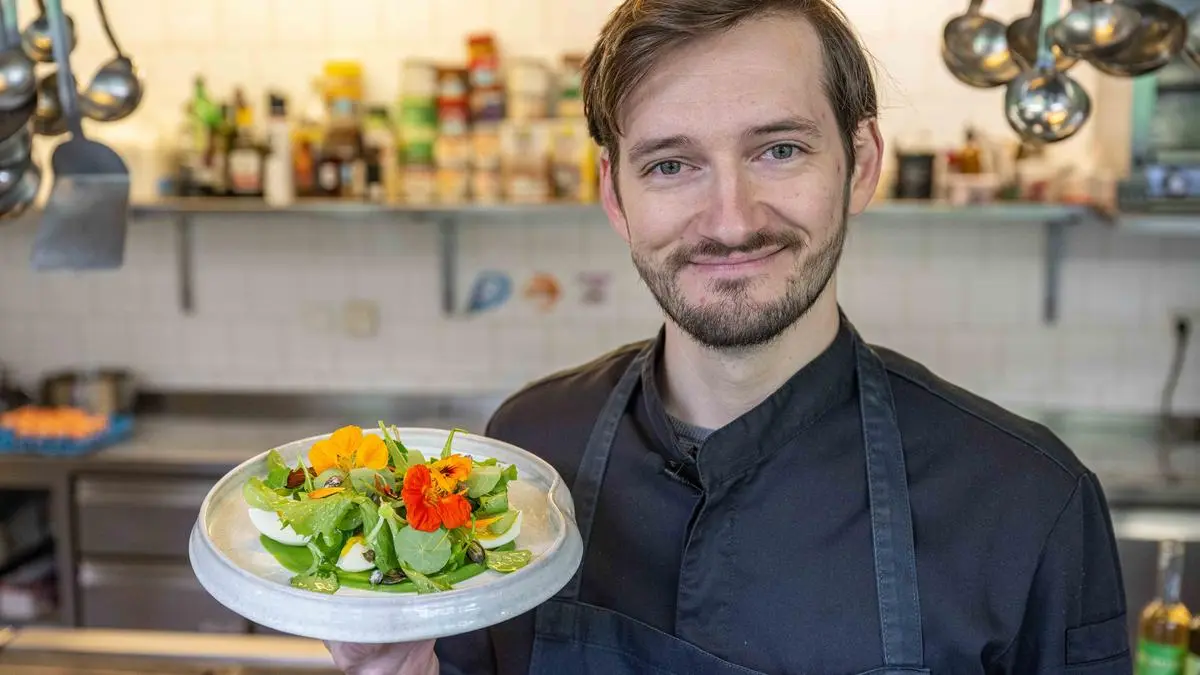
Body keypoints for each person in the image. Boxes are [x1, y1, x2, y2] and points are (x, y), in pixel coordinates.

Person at [328, 0, 1132, 673]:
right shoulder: (526, 457)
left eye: (779, 150)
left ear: (860, 163)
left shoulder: (1027, 505)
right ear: (614, 194)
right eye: (671, 165)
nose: (732, 219)